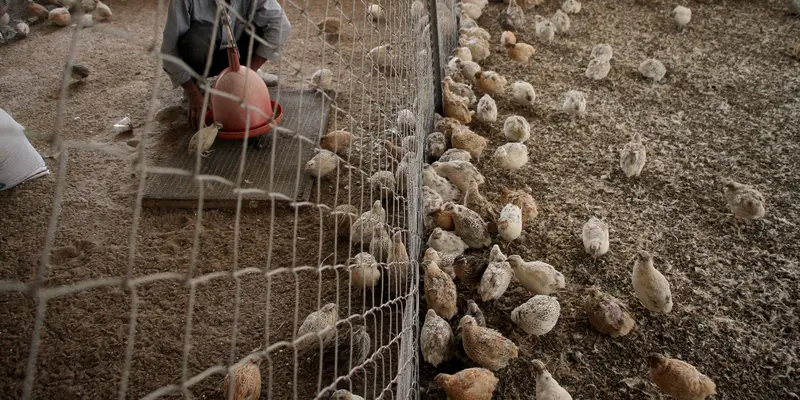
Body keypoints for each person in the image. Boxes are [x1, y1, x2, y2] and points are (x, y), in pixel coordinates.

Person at [161, 0, 291, 130]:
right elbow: (169, 50)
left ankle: (249, 74)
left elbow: (280, 24)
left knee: (266, 25)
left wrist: (248, 73)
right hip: (204, 56)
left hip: (239, 52)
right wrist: (192, 94)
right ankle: (197, 85)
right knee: (192, 45)